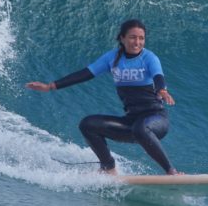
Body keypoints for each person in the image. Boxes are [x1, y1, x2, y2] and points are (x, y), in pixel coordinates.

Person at [26, 19, 181, 175]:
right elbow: (85, 74)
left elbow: (158, 76)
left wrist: (162, 90)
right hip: (131, 122)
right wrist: (50, 86)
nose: (137, 42)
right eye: (133, 37)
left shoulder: (149, 58)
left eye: (141, 38)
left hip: (155, 119)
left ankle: (171, 171)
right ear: (122, 38)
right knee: (88, 124)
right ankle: (108, 168)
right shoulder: (112, 58)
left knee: (141, 128)